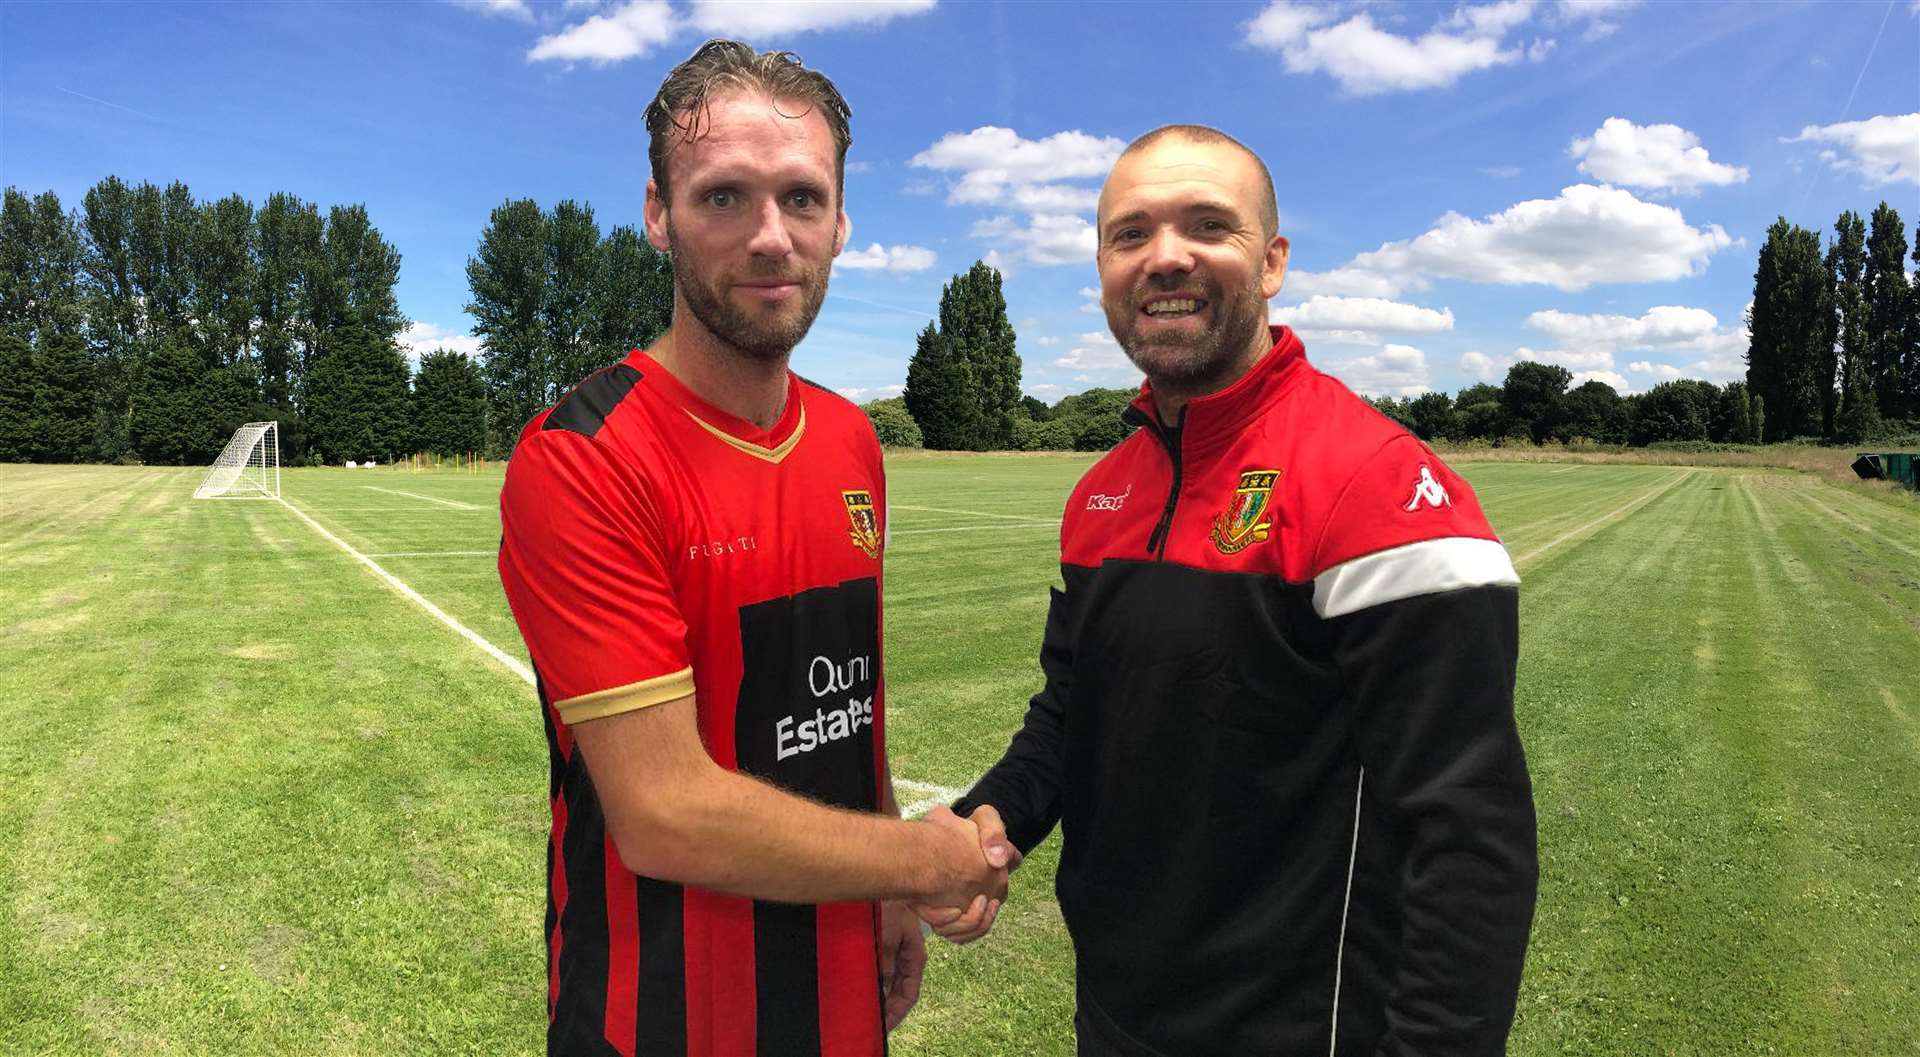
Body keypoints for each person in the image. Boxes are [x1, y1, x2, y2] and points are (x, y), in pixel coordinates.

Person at [926, 125, 1539, 1055]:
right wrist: (991, 816)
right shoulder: (1101, 494)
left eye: (1208, 224)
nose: (1165, 256)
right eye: (1130, 235)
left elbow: (1471, 842)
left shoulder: (1374, 484)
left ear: (1273, 260)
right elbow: (1073, 715)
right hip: (1120, 1014)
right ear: (1102, 268)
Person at [498, 40, 1010, 1057]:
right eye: (725, 198)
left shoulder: (852, 438)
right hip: (655, 1020)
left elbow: (842, 703)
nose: (772, 237)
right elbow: (664, 814)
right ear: (658, 215)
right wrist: (916, 860)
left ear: (842, 222)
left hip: (836, 1001)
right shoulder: (585, 458)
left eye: (803, 199)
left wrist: (883, 894)